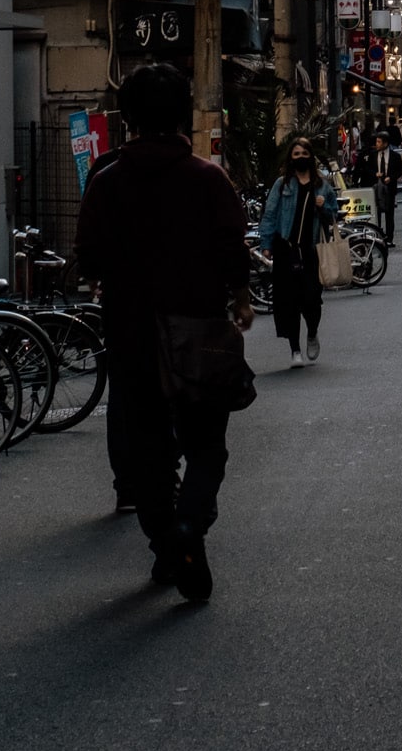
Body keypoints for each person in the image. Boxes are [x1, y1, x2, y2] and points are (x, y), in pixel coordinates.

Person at [75, 62, 252, 603]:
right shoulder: (206, 178)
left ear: (126, 117)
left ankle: (166, 547)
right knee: (206, 446)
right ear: (182, 115)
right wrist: (240, 298)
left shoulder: (106, 183)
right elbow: (231, 247)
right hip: (198, 330)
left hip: (131, 334)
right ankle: (189, 526)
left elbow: (88, 260)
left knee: (148, 450)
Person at [259, 135, 339, 370]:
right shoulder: (282, 184)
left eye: (304, 154)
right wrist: (266, 243)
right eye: (296, 155)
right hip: (286, 249)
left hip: (311, 250)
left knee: (312, 300)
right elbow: (270, 214)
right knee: (288, 302)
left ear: (311, 157)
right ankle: (294, 349)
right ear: (290, 158)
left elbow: (334, 214)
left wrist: (324, 206)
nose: (301, 158)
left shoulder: (322, 185)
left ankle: (312, 332)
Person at [373, 127, 402, 246]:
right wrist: (375, 174)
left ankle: (389, 238)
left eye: (379, 142)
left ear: (386, 143)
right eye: (376, 141)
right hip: (376, 187)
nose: (377, 144)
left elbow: (400, 171)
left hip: (390, 187)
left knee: (389, 214)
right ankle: (378, 235)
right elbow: (368, 169)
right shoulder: (373, 155)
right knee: (377, 212)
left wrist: (391, 177)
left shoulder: (395, 156)